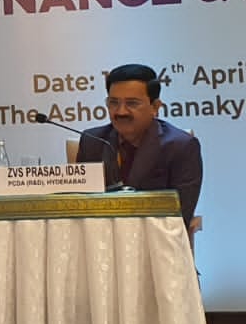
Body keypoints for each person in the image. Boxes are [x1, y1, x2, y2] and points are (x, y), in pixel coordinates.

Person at [77, 63, 202, 225]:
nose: (121, 111)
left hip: (156, 237)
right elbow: (80, 207)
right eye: (113, 102)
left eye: (132, 103)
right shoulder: (92, 141)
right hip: (100, 237)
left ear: (155, 107)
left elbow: (180, 214)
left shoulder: (180, 146)